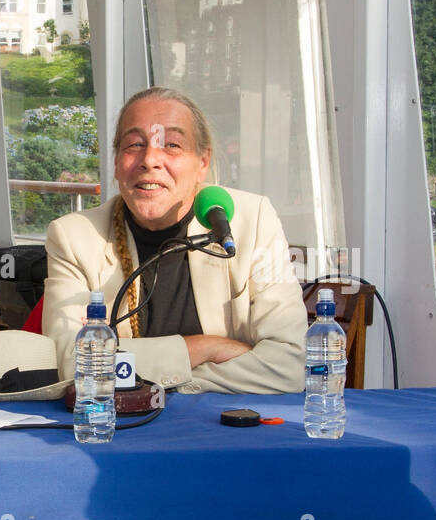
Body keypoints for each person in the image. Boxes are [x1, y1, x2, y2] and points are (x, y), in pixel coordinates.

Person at [43, 86, 305, 394]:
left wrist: (168, 385)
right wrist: (208, 348)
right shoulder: (74, 236)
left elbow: (289, 366)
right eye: (134, 145)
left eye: (172, 145)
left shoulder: (252, 221)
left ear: (202, 163)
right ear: (116, 162)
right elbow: (69, 365)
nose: (150, 159)